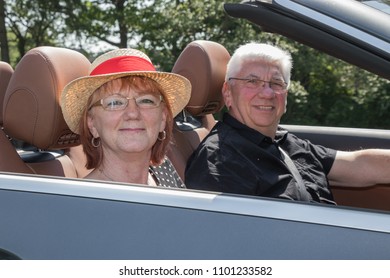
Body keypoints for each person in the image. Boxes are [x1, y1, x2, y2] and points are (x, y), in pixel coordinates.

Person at [185, 42, 390, 203]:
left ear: (286, 96)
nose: (266, 93)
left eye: (276, 83)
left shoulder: (284, 142)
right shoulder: (219, 160)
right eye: (252, 81)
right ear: (227, 93)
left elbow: (357, 165)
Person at [61, 48, 191, 188]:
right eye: (114, 103)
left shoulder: (166, 172)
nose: (133, 114)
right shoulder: (79, 202)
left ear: (163, 119)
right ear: (92, 124)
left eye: (146, 100)